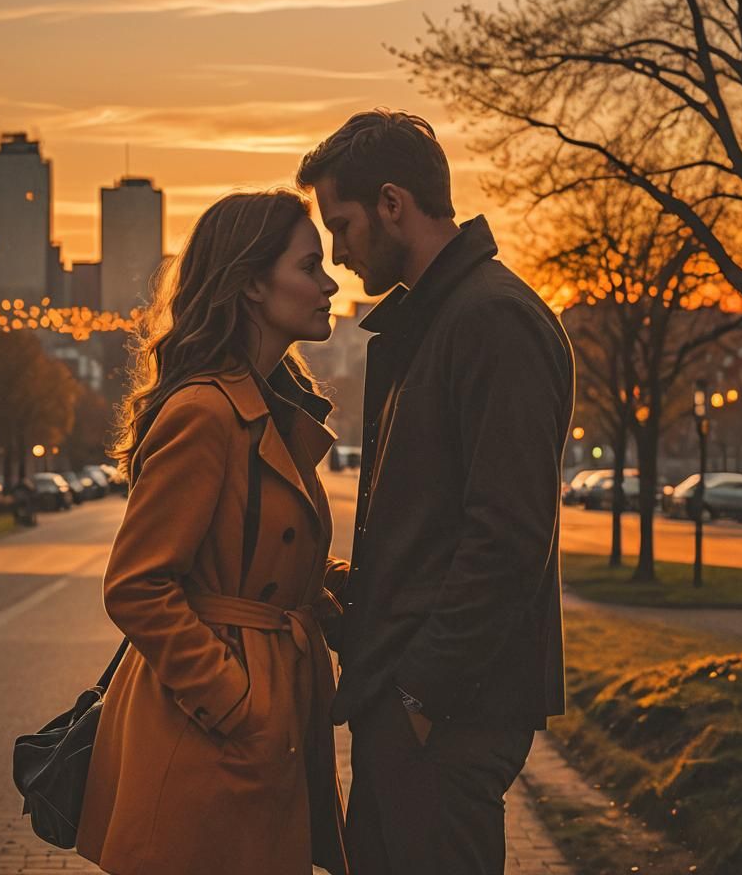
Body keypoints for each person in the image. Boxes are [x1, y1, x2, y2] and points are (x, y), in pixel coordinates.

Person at [298, 109, 574, 875]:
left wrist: (422, 696)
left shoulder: (493, 320)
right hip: (413, 703)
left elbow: (509, 536)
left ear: (393, 204)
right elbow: (429, 530)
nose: (338, 252)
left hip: (445, 712)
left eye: (342, 224)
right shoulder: (436, 321)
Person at [75, 190, 350, 875]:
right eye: (309, 266)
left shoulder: (266, 408)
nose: (329, 283)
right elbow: (137, 586)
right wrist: (236, 702)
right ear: (253, 283)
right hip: (205, 740)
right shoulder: (206, 412)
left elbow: (281, 565)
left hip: (261, 722)